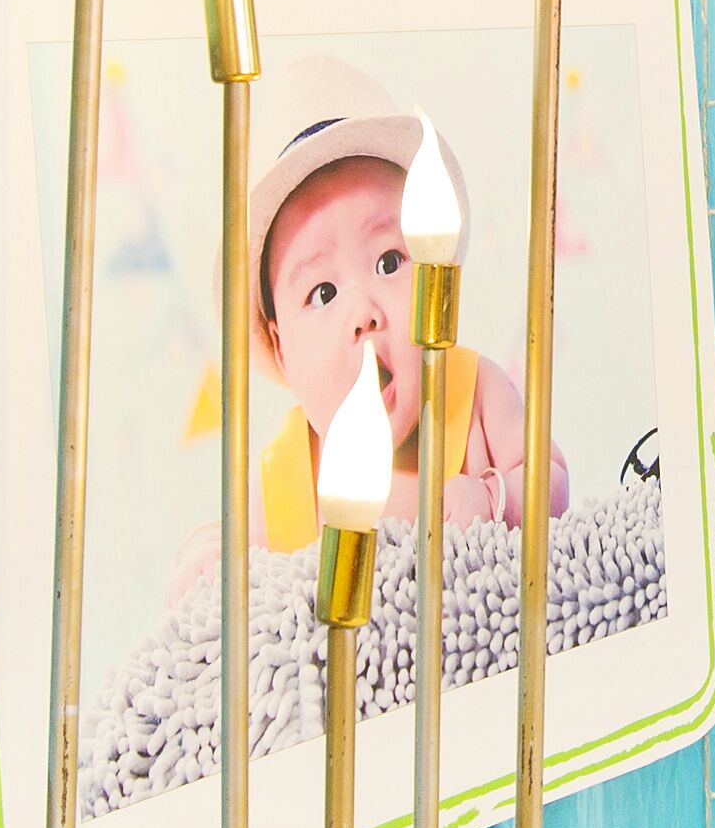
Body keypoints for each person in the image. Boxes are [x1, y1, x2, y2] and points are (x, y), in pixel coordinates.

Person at [235, 70, 561, 552]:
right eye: (323, 293)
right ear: (281, 349)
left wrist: (497, 499)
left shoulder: (474, 393)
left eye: (389, 262)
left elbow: (551, 477)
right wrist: (205, 556)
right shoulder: (278, 474)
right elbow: (242, 574)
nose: (363, 313)